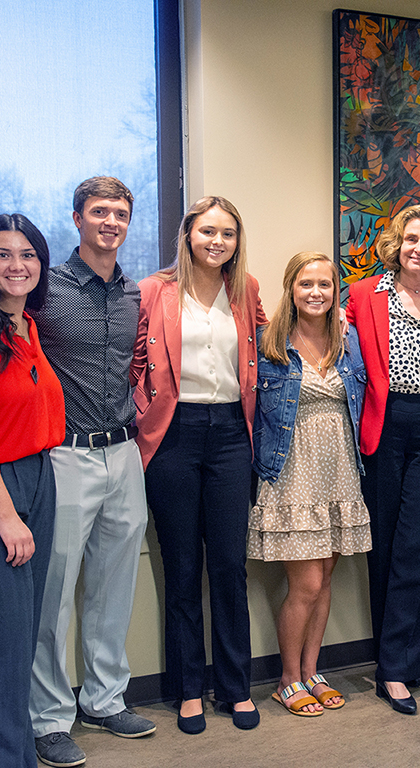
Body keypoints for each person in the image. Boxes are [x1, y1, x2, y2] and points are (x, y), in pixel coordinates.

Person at [29, 177, 156, 768]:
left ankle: (105, 699)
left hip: (124, 452)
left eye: (121, 213)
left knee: (113, 587)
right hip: (65, 456)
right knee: (53, 594)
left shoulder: (135, 292)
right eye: (100, 212)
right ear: (76, 218)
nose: (111, 222)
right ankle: (49, 718)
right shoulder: (44, 289)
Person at [131, 196, 266, 734]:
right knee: (183, 570)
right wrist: (145, 412)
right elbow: (133, 362)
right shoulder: (154, 290)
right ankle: (188, 690)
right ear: (188, 234)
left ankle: (234, 688)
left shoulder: (246, 288)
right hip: (174, 436)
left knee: (230, 568)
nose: (218, 242)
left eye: (228, 233)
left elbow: (267, 341)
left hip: (233, 434)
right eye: (208, 231)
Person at [346, 204, 420, 715]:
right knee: (386, 543)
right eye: (412, 239)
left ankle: (399, 667)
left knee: (417, 543)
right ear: (397, 242)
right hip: (383, 425)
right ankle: (393, 660)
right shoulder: (363, 294)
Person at [250, 251, 371, 717]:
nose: (316, 292)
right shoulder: (270, 344)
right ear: (291, 289)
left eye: (325, 284)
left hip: (340, 471)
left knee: (325, 586)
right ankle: (288, 679)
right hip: (291, 474)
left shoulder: (349, 340)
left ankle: (313, 671)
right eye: (306, 284)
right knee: (307, 583)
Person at [0, 214, 65, 768]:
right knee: (5, 645)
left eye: (27, 255)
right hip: (3, 489)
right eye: (2, 255)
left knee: (23, 635)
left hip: (42, 476)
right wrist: (7, 516)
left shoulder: (28, 326)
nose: (17, 266)